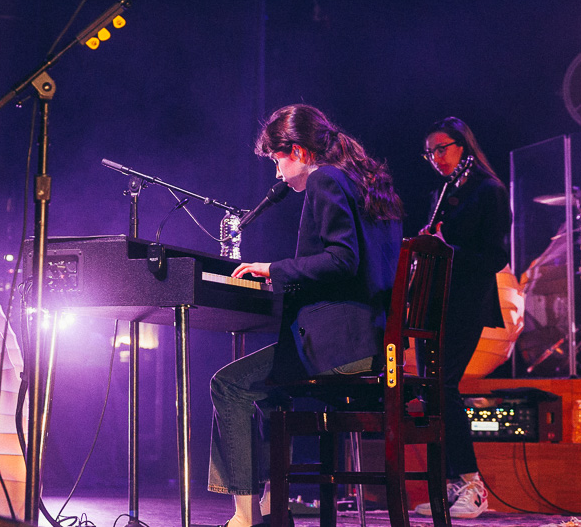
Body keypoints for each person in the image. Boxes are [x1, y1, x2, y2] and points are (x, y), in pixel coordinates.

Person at [208, 104, 404, 527]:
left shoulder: (325, 179)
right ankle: (269, 508)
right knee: (272, 386)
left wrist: (273, 269)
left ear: (296, 150)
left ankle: (246, 518)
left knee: (229, 385)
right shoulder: (370, 182)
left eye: (276, 160)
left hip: (342, 346)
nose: (276, 172)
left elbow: (342, 259)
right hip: (375, 342)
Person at [414, 117, 512, 520]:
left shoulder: (488, 190)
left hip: (466, 302)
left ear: (463, 146)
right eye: (430, 152)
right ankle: (452, 484)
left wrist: (446, 247)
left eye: (442, 148)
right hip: (436, 300)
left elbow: (495, 257)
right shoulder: (446, 190)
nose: (435, 158)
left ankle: (473, 483)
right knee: (431, 391)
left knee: (443, 387)